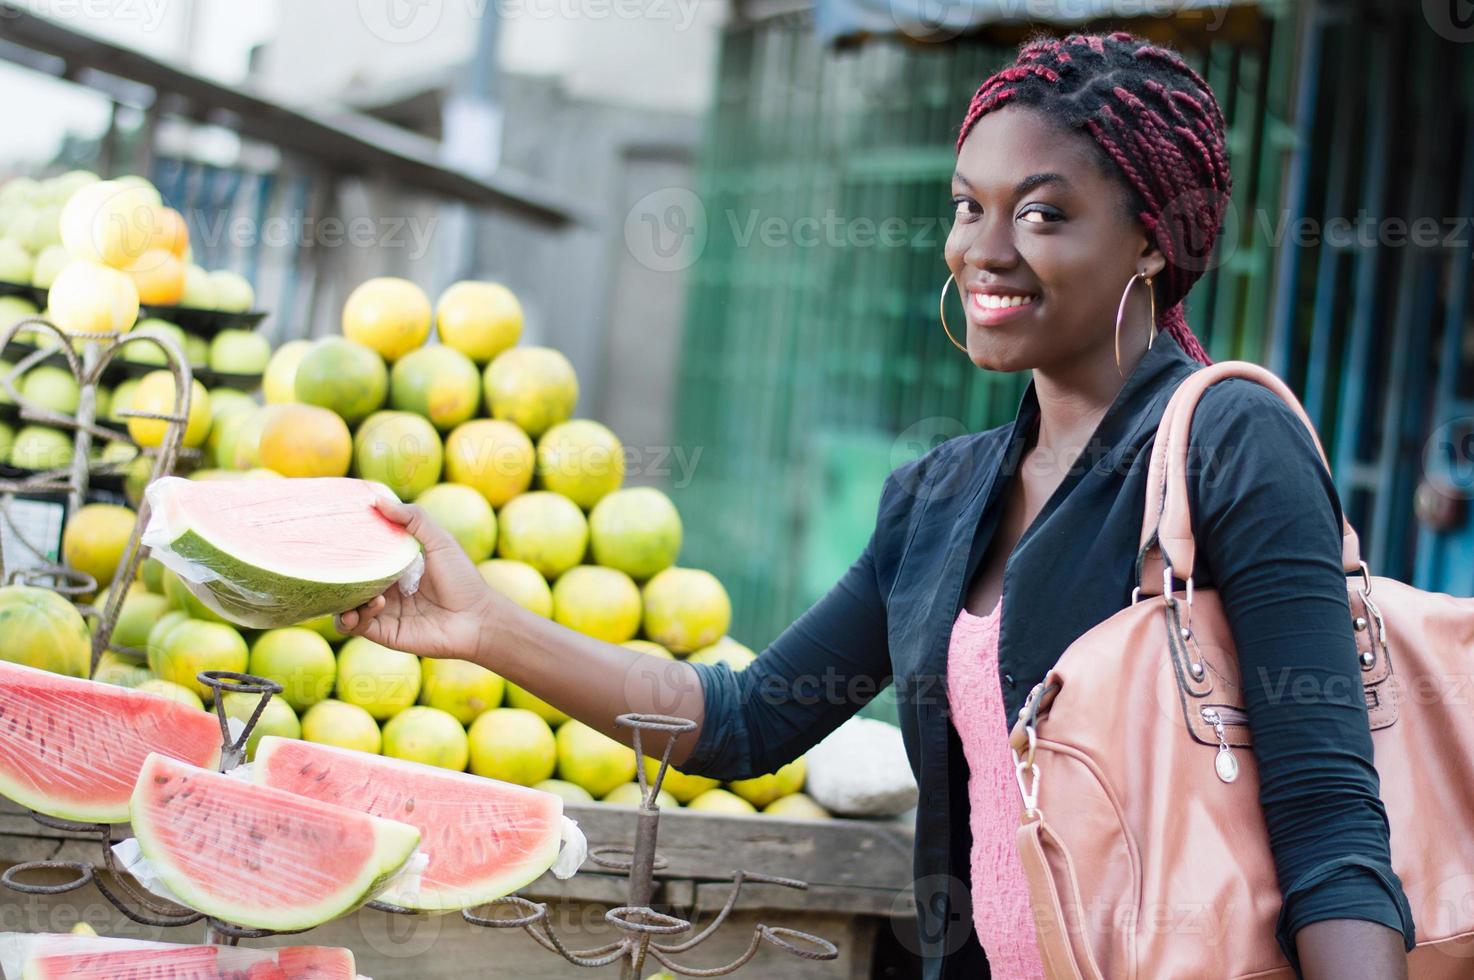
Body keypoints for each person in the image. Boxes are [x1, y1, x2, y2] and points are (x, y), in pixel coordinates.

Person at [337, 30, 1415, 980]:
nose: (983, 250)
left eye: (1042, 212)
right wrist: (485, 626)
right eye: (967, 207)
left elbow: (1328, 820)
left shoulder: (1229, 443)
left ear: (1151, 240)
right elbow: (745, 717)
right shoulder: (941, 494)